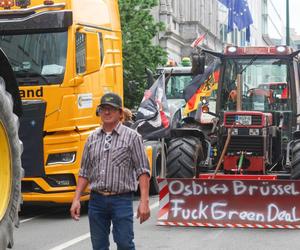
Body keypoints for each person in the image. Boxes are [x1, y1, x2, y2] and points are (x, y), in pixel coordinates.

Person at [70, 92, 151, 250]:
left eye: (111, 109)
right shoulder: (92, 139)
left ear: (120, 113)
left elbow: (143, 171)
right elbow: (84, 171)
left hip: (121, 200)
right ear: (99, 112)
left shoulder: (132, 137)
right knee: (98, 246)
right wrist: (76, 199)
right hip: (96, 201)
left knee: (124, 243)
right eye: (103, 109)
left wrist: (144, 202)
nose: (107, 112)